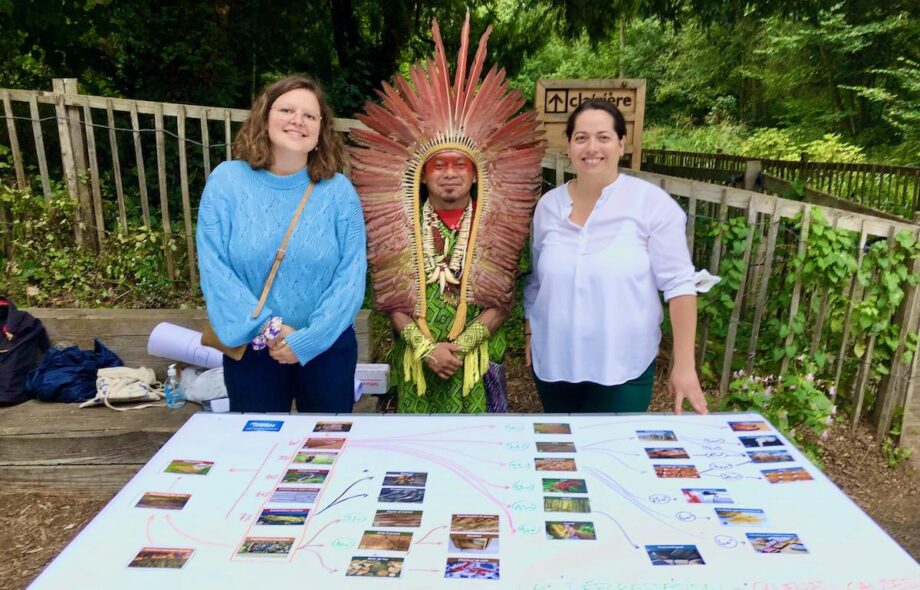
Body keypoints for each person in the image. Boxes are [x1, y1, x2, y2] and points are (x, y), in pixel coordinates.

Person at [349, 14, 543, 413]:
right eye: (439, 165)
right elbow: (391, 300)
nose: (450, 174)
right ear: (422, 173)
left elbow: (501, 301)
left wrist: (458, 349)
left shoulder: (500, 223)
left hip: (476, 366)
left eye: (460, 165)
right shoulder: (399, 224)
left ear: (475, 174)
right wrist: (425, 348)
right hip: (417, 367)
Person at [523, 99, 708, 415]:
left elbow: (679, 286)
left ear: (622, 143)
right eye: (581, 137)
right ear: (568, 145)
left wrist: (685, 366)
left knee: (611, 456)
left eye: (603, 137)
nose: (591, 147)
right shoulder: (548, 206)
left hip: (623, 366)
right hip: (554, 362)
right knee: (565, 455)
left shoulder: (651, 204)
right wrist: (530, 333)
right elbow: (538, 282)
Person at [196, 75, 366, 413]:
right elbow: (215, 270)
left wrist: (308, 340)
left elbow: (351, 276)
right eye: (287, 109)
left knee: (326, 449)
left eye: (309, 115)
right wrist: (269, 329)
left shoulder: (339, 192)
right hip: (253, 347)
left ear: (321, 129)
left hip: (326, 347)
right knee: (256, 448)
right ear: (264, 116)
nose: (297, 121)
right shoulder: (226, 183)